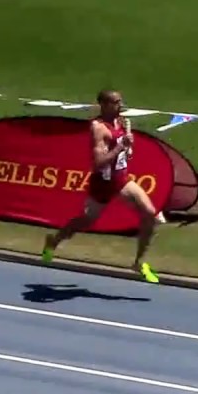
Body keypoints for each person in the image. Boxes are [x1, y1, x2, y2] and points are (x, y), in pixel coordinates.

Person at [42, 89, 160, 283]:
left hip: (121, 179)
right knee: (86, 221)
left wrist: (128, 149)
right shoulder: (98, 128)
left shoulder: (121, 122)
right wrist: (121, 146)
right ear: (104, 105)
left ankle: (139, 262)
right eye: (116, 102)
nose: (121, 105)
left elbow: (126, 153)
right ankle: (53, 241)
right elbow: (98, 163)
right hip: (103, 182)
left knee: (149, 213)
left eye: (120, 101)